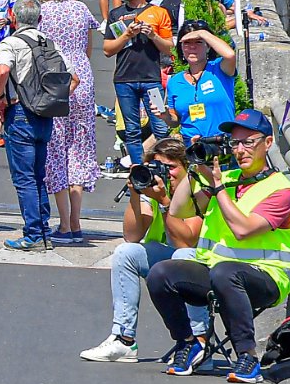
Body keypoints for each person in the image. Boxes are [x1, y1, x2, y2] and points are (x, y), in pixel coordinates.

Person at [146, 109, 290, 383]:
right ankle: (188, 342)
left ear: (267, 144)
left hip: (267, 278)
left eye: (248, 142)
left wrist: (217, 187)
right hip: (218, 272)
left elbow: (242, 230)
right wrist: (194, 168)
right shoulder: (228, 179)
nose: (240, 150)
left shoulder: (281, 190)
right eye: (234, 143)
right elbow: (179, 210)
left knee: (225, 272)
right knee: (161, 274)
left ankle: (247, 356)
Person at [80, 136, 207, 362]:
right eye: (159, 167)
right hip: (169, 260)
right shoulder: (156, 187)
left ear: (186, 167)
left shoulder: (197, 187)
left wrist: (165, 201)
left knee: (182, 254)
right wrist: (136, 195)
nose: (166, 174)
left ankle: (200, 340)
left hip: (199, 262)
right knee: (125, 252)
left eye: (171, 168)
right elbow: (132, 235)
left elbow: (187, 241)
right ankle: (123, 339)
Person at [0, 0, 73, 253]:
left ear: (13, 17)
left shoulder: (12, 42)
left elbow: (3, 71)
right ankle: (43, 229)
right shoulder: (50, 43)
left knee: (24, 177)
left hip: (21, 113)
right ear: (39, 19)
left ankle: (33, 233)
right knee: (38, 175)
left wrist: (0, 99)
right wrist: (52, 100)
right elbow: (73, 79)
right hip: (45, 115)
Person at [31, 0, 99, 246]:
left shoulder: (42, 12)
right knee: (80, 147)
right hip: (82, 76)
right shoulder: (80, 9)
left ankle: (64, 222)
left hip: (56, 77)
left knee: (56, 148)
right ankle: (76, 221)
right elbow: (88, 47)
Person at [103, 0, 174, 166]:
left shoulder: (158, 13)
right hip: (125, 79)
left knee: (161, 127)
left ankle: (162, 166)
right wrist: (127, 35)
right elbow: (108, 49)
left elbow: (170, 49)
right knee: (131, 131)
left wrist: (152, 35)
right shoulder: (116, 14)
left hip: (152, 79)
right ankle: (139, 170)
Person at [166, 26, 239, 145]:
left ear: (208, 46)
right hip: (193, 146)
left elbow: (230, 55)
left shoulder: (219, 68)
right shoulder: (175, 81)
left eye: (198, 42)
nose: (192, 47)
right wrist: (165, 116)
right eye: (187, 43)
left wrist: (202, 33)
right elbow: (175, 120)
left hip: (222, 142)